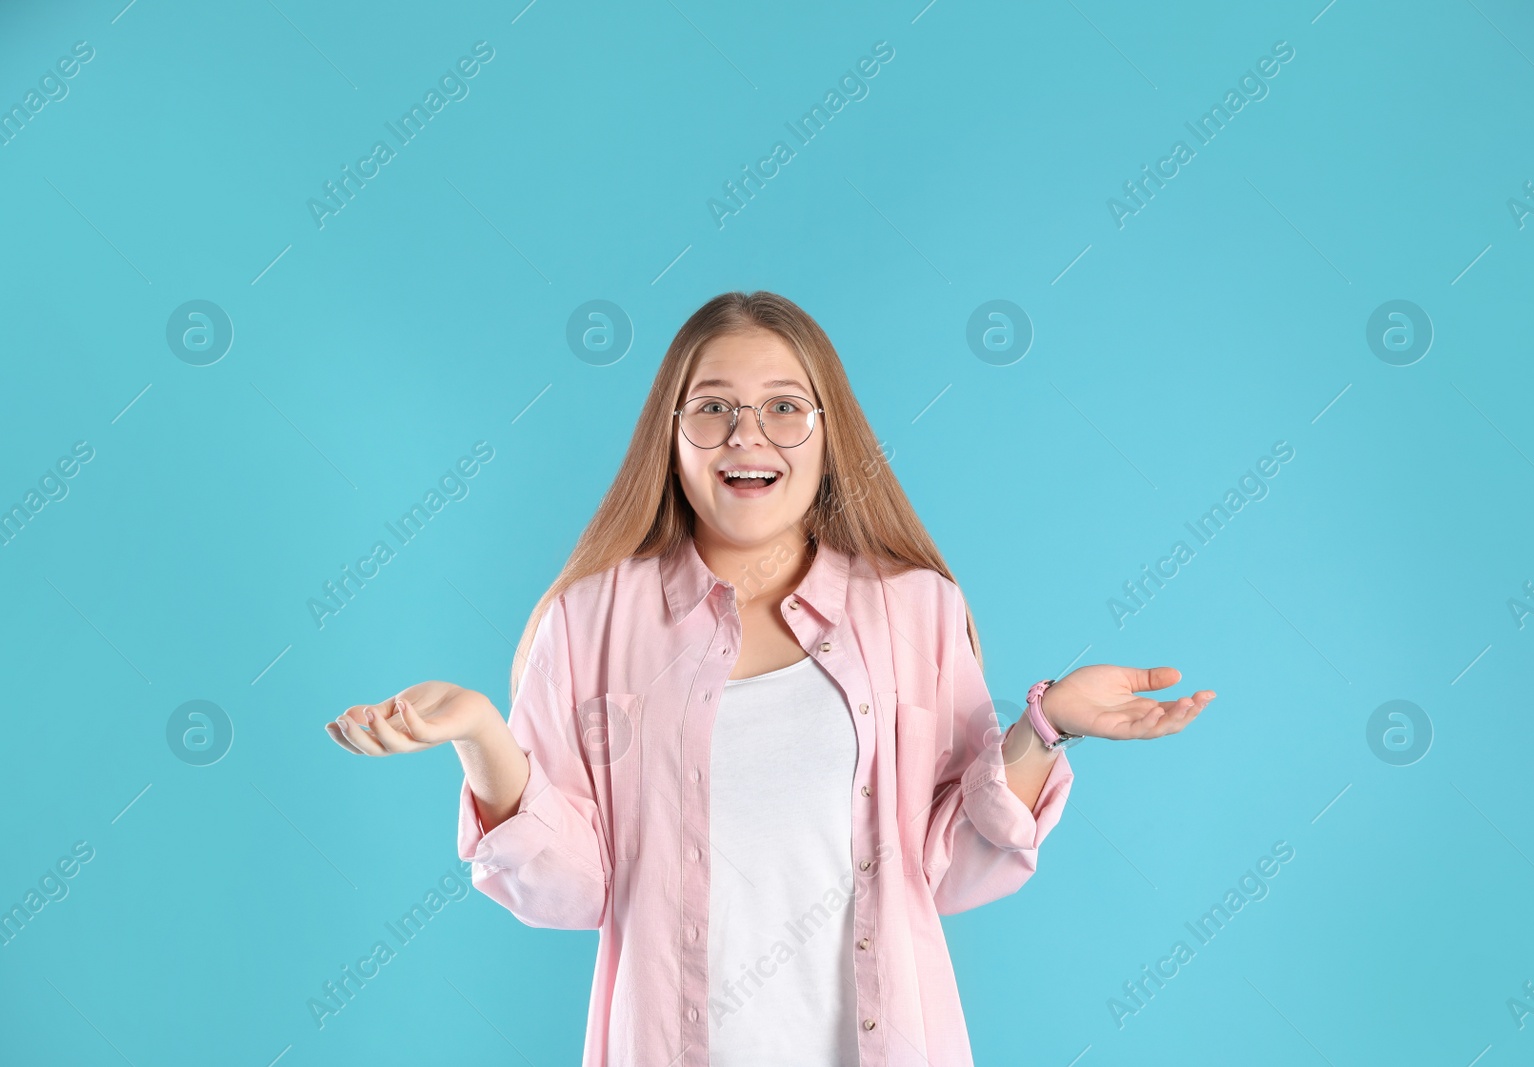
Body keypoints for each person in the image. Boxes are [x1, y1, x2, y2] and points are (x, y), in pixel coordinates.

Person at [324, 290, 1214, 1066]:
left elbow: (951, 864)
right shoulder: (591, 622)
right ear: (669, 437)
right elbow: (575, 889)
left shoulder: (915, 611)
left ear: (831, 434)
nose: (747, 434)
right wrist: (484, 735)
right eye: (712, 409)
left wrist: (1047, 722)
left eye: (786, 407)